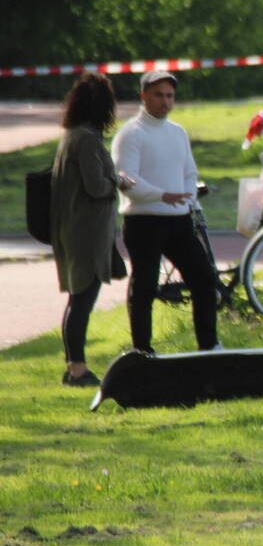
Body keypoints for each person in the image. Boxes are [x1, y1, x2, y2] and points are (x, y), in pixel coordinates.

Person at [112, 70, 220, 353]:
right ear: (143, 96)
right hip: (143, 221)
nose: (165, 101)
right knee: (145, 285)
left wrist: (186, 201)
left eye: (170, 96)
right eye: (159, 95)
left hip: (179, 221)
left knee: (204, 279)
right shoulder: (131, 134)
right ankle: (142, 350)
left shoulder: (178, 133)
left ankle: (209, 346)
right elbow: (127, 181)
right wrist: (162, 195)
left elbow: (190, 172)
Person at [50, 73, 134, 386]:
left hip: (73, 227)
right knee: (83, 300)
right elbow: (97, 186)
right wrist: (118, 181)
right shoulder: (86, 139)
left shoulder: (70, 135)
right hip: (86, 231)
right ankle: (77, 370)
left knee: (78, 298)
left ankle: (74, 365)